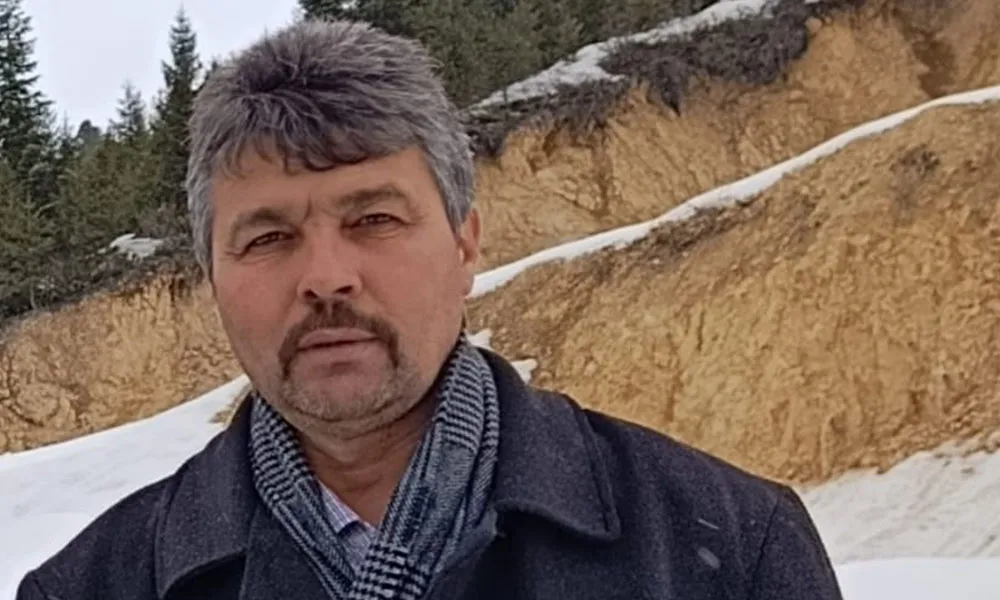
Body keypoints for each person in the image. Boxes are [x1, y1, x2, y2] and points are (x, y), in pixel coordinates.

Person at [16, 19, 843, 600]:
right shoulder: (92, 586)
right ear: (211, 278)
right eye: (268, 237)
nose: (327, 278)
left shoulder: (728, 549)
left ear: (465, 246)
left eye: (374, 220)